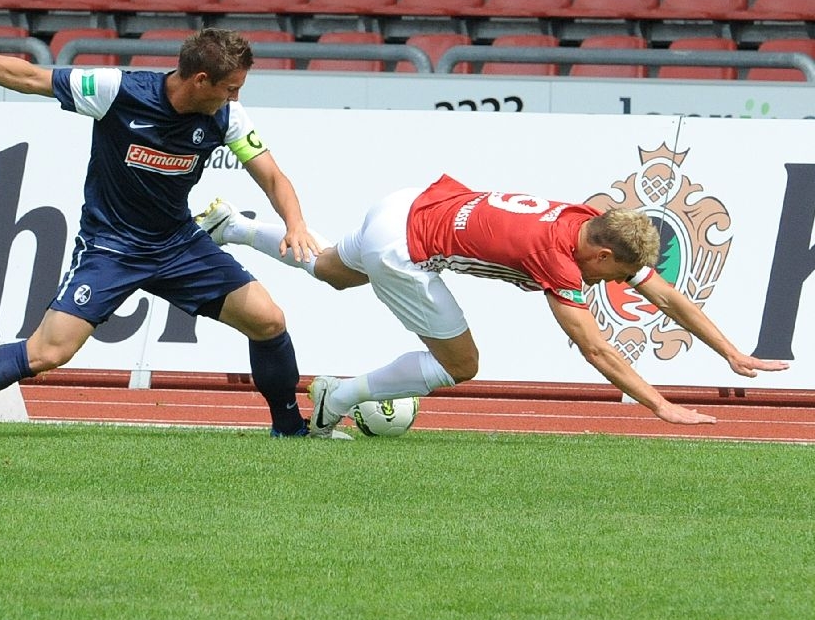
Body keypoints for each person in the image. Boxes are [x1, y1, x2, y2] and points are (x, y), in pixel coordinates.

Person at [0, 28, 333, 440]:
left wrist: (294, 222)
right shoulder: (116, 90)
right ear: (199, 80)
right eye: (230, 87)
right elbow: (31, 77)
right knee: (47, 352)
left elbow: (272, 176)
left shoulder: (227, 116)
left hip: (178, 244)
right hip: (110, 247)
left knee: (268, 320)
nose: (235, 96)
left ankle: (290, 429)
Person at [195, 173, 790, 437]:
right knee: (461, 365)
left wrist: (733, 354)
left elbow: (666, 295)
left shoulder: (587, 220)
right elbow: (596, 349)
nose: (624, 283)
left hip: (404, 203)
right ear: (603, 252)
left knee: (330, 271)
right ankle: (336, 397)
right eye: (620, 273)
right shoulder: (558, 256)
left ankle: (236, 227)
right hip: (405, 246)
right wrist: (663, 407)